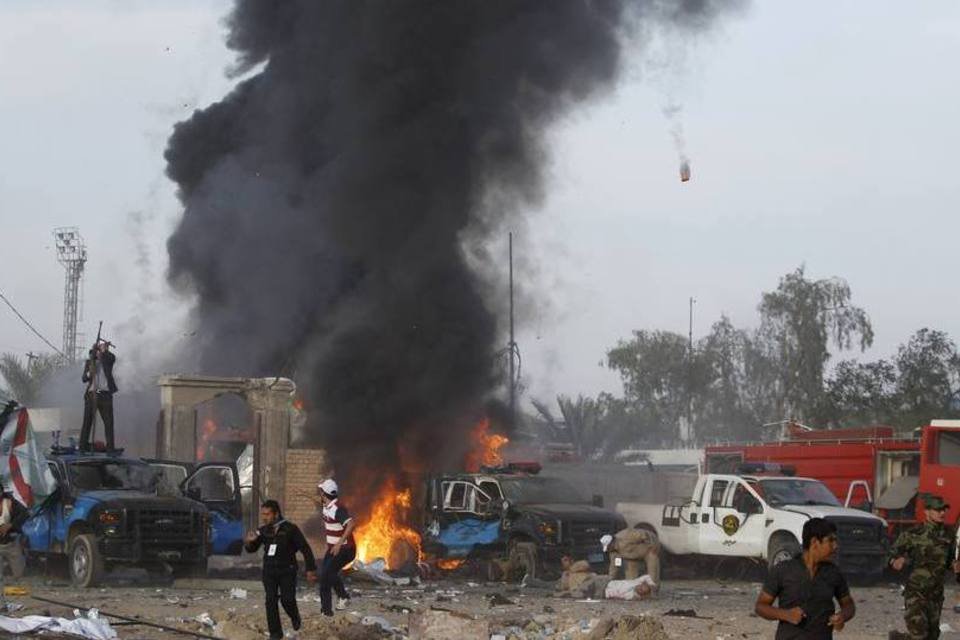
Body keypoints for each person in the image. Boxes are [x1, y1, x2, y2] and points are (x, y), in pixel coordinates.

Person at [755, 518, 856, 639]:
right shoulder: (783, 570)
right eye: (831, 540)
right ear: (814, 542)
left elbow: (849, 605)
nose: (835, 546)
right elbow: (761, 607)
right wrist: (786, 614)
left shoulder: (833, 573)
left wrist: (842, 616)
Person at [888, 493, 960, 640]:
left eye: (944, 510)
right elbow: (891, 553)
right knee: (919, 635)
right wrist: (895, 561)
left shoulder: (949, 535)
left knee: (932, 636)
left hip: (936, 595)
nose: (942, 513)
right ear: (927, 511)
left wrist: (954, 566)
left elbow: (950, 561)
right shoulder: (913, 533)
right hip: (916, 592)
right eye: (938, 509)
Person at [244, 500, 317, 640]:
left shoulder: (290, 529)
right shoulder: (263, 530)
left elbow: (305, 548)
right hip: (269, 571)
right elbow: (252, 549)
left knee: (287, 599)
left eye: (267, 514)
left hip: (287, 570)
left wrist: (310, 569)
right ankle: (275, 634)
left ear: (276, 514)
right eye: (263, 514)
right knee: (270, 600)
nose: (264, 517)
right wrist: (248, 541)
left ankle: (295, 616)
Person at [303, 478, 356, 616]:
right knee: (325, 574)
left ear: (323, 493)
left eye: (320, 491)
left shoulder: (338, 509)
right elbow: (322, 505)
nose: (319, 494)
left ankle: (330, 609)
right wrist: (308, 496)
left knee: (326, 576)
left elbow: (351, 525)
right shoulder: (327, 506)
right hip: (333, 548)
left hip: (345, 549)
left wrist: (339, 544)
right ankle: (338, 601)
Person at [79, 341, 117, 452]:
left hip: (105, 394)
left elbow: (112, 358)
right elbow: (84, 379)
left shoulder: (107, 360)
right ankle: (82, 447)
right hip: (92, 394)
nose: (97, 354)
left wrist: (104, 350)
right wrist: (89, 373)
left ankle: (110, 449)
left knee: (109, 423)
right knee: (87, 422)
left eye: (99, 351)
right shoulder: (89, 362)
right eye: (96, 352)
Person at [0, 485, 27, 579]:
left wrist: (11, 525)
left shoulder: (10, 502)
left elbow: (24, 513)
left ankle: (8, 567)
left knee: (18, 574)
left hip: (11, 544)